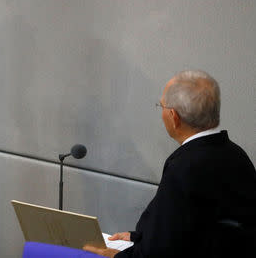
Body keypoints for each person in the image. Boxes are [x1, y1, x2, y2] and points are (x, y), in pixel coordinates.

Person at [84, 70, 256, 258]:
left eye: (162, 106)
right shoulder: (236, 154)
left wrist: (115, 255)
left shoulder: (184, 168)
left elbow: (160, 252)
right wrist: (140, 236)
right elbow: (205, 225)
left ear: (174, 117)